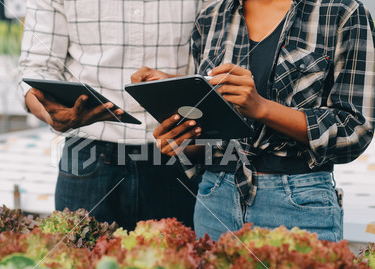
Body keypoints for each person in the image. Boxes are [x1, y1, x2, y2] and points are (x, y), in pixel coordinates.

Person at [133, 0, 375, 241]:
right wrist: (182, 140)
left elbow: (354, 130)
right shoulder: (211, 16)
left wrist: (262, 108)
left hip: (298, 205)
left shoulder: (342, 12)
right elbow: (214, 139)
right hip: (215, 199)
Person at [19, 0, 216, 230]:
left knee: (179, 263)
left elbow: (214, 65)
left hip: (180, 153)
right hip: (87, 155)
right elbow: (36, 68)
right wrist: (51, 115)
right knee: (78, 263)